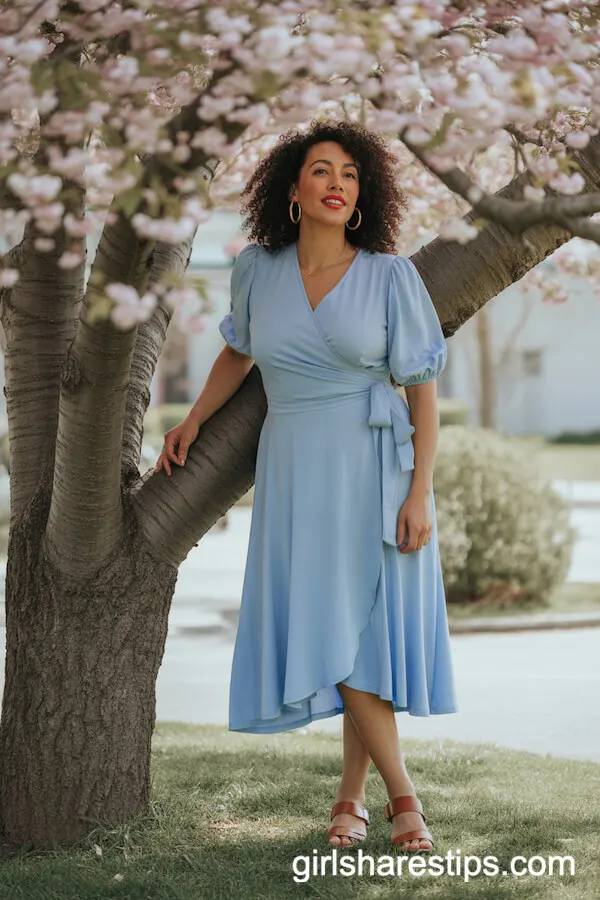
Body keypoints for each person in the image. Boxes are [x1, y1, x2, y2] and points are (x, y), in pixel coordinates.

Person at [155, 119, 458, 853]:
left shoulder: (391, 276)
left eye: (350, 175)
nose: (337, 184)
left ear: (362, 196)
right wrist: (192, 419)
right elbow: (238, 353)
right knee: (333, 625)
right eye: (322, 171)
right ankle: (369, 800)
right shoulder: (257, 269)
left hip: (374, 468)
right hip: (294, 466)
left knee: (365, 637)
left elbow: (422, 394)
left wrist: (420, 491)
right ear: (293, 190)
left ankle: (385, 800)